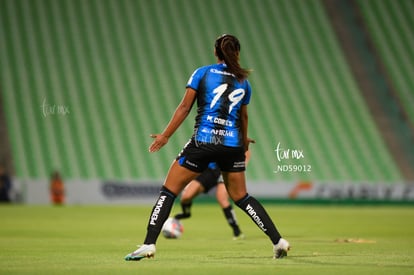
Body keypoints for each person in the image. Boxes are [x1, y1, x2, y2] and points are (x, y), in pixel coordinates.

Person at [125, 34, 290, 261]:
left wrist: (165, 136)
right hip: (232, 146)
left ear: (215, 52)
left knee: (169, 191)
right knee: (241, 197)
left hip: (204, 142)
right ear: (237, 53)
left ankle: (149, 244)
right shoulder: (244, 81)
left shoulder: (202, 73)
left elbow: (184, 107)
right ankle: (278, 241)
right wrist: (242, 142)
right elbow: (243, 117)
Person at [174, 162, 244, 240]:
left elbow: (246, 152)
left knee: (222, 198)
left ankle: (236, 230)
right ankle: (186, 213)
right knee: (186, 197)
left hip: (223, 168)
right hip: (206, 169)